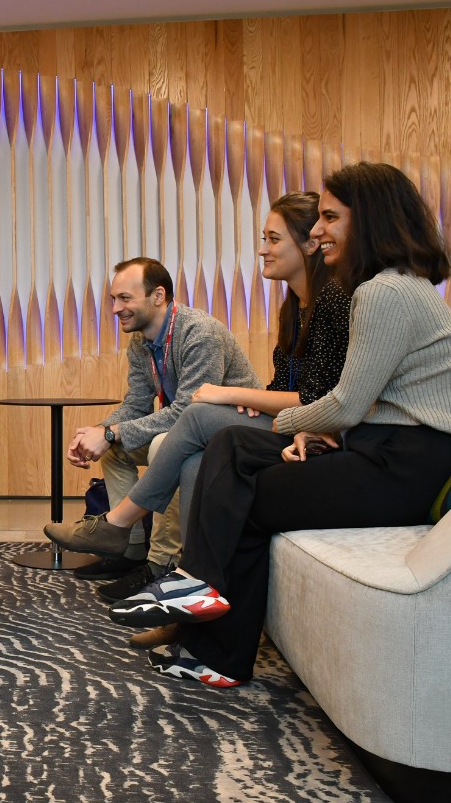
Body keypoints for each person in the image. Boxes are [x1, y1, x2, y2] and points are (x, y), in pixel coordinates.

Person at [112, 162, 451, 688]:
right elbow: (364, 404)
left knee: (245, 492)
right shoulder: (394, 287)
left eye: (330, 217)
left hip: (400, 466)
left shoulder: (382, 293)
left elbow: (345, 404)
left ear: (369, 220)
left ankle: (215, 641)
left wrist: (293, 421)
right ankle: (196, 590)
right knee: (233, 443)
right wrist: (313, 429)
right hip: (382, 448)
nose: (319, 230)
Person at [70, 194, 352, 648]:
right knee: (181, 456)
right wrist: (106, 431)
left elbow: (324, 398)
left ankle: (130, 537)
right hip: (270, 422)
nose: (261, 247)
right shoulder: (292, 310)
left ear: (308, 245)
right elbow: (138, 405)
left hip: (305, 432)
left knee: (185, 434)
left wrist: (235, 396)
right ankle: (169, 595)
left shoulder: (208, 329)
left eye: (272, 238)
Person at [45, 257, 262, 580]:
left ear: (158, 296)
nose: (115, 309)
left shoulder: (199, 333)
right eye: (113, 299)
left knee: (163, 445)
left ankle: (160, 563)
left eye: (125, 299)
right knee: (117, 446)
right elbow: (136, 406)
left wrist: (108, 432)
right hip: (188, 429)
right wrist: (101, 432)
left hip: (228, 434)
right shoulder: (140, 342)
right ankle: (130, 550)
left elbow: (189, 413)